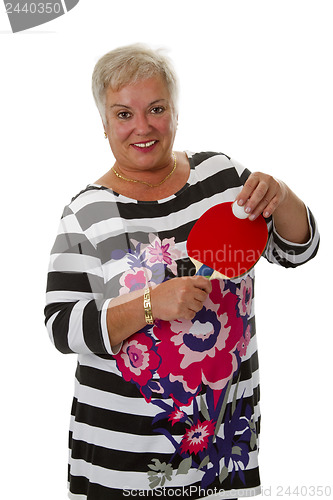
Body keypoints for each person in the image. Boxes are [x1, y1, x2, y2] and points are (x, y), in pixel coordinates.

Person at [44, 44, 319, 500]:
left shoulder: (223, 178)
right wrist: (151, 305)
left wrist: (283, 194)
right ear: (104, 123)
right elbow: (61, 327)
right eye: (123, 114)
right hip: (125, 457)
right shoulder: (87, 212)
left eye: (156, 109)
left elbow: (297, 251)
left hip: (221, 446)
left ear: (174, 111)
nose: (143, 127)